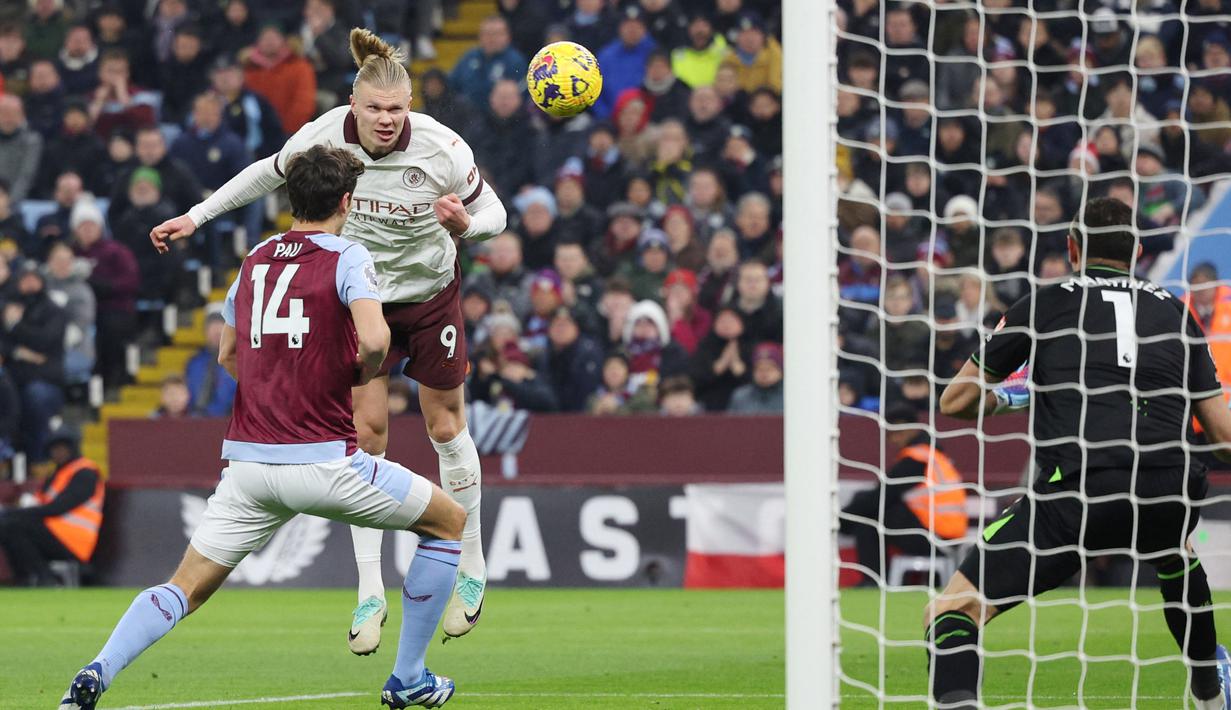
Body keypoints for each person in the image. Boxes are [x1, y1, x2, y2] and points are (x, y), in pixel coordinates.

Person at [61, 145, 465, 710]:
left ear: (289, 199)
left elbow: (228, 353)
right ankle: (410, 678)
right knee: (449, 523)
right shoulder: (349, 255)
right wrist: (353, 374)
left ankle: (97, 671)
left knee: (184, 587)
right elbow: (375, 341)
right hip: (326, 461)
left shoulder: (255, 259)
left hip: (248, 467)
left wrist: (278, 379)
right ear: (346, 202)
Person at [149, 29, 508, 650]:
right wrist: (197, 216)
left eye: (398, 109)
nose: (388, 120)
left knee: (446, 428)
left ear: (409, 106)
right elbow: (268, 173)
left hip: (428, 295)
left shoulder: (443, 147)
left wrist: (468, 225)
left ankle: (472, 568)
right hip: (360, 297)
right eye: (376, 109)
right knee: (365, 436)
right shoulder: (322, 135)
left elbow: (495, 214)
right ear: (354, 105)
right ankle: (370, 587)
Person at [932, 197, 1231, 709]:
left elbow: (954, 401)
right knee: (1175, 553)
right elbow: (1224, 435)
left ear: (1072, 249)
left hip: (1075, 493)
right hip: (1168, 485)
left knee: (954, 611)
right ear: (1137, 252)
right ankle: (1211, 692)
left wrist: (1015, 395)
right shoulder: (1176, 311)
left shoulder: (1046, 303)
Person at [839, 404, 966, 586]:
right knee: (870, 505)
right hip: (946, 536)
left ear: (907, 429)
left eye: (893, 433)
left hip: (937, 539)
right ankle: (876, 579)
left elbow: (881, 496)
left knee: (869, 514)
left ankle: (873, 580)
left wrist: (842, 520)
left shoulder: (916, 460)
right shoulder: (933, 456)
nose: (892, 440)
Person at [0, 426, 102, 587]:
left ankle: (45, 578)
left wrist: (15, 513)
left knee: (12, 524)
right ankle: (24, 578)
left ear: (72, 448)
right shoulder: (58, 473)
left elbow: (58, 507)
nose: (57, 453)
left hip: (74, 540)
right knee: (6, 525)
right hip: (55, 533)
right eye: (54, 449)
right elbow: (40, 502)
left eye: (62, 448)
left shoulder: (85, 472)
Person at [184, 310, 237, 416]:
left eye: (220, 327)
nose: (217, 332)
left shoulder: (238, 361)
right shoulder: (194, 362)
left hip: (229, 420)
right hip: (195, 420)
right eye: (212, 328)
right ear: (205, 332)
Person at [727, 341, 784, 413]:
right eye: (759, 369)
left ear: (781, 371)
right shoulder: (740, 397)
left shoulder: (791, 396)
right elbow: (730, 423)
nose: (764, 373)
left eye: (769, 369)